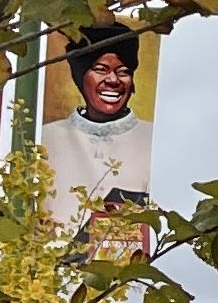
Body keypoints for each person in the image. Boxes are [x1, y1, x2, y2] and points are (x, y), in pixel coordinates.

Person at [35, 21, 152, 246]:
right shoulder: (44, 139)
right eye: (100, 69)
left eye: (123, 71)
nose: (113, 80)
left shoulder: (153, 139)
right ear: (81, 75)